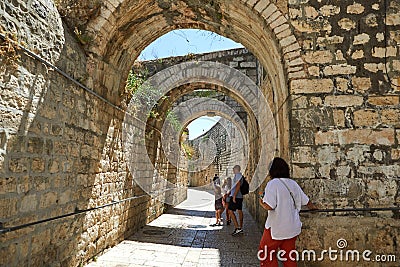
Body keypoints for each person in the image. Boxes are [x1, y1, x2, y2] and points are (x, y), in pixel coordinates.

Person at [258, 157, 318, 267]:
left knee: (266, 253)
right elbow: (306, 201)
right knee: (289, 256)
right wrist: (313, 208)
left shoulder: (273, 183)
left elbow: (270, 206)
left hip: (276, 228)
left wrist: (261, 202)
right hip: (291, 227)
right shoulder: (292, 183)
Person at [228, 165, 244, 235]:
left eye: (233, 169)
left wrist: (234, 195)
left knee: (230, 211)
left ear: (236, 169)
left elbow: (238, 185)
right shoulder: (240, 175)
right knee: (239, 210)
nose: (233, 170)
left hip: (236, 196)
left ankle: (237, 227)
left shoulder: (237, 175)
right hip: (239, 196)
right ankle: (240, 227)